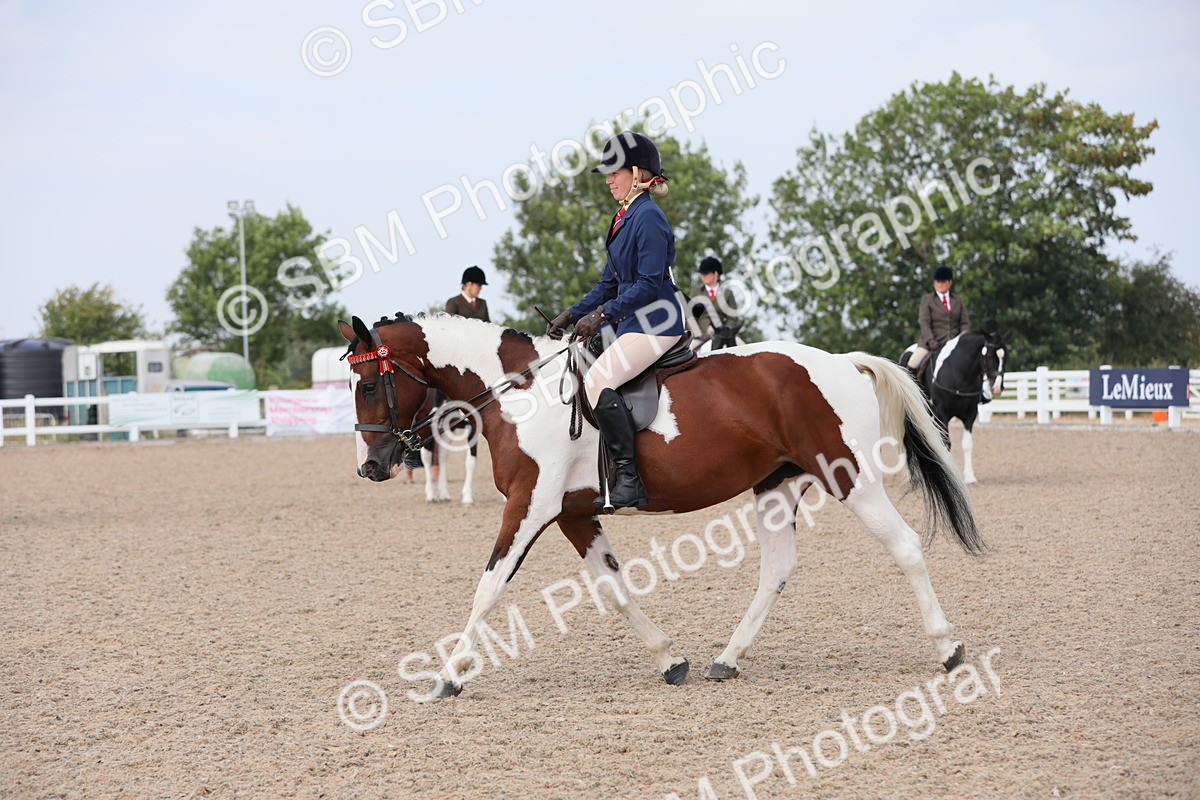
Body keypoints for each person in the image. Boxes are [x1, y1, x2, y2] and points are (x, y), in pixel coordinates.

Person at [545, 131, 685, 510]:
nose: (608, 180)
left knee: (599, 380)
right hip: (632, 321)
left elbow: (648, 283)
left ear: (638, 173)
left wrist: (603, 314)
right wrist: (573, 313)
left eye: (615, 173)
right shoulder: (624, 217)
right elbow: (610, 282)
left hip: (657, 321)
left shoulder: (649, 219)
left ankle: (629, 478)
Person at [909, 264, 971, 374]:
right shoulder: (927, 299)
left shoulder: (957, 300)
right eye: (938, 281)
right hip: (931, 343)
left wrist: (963, 339)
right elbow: (924, 323)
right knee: (913, 362)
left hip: (954, 342)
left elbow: (964, 323)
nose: (940, 284)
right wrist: (931, 341)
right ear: (934, 282)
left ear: (950, 282)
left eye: (943, 281)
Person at [690, 256, 741, 348]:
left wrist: (727, 330)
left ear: (716, 274)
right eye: (701, 274)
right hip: (702, 334)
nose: (703, 276)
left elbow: (732, 317)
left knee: (744, 348)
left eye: (706, 273)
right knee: (686, 353)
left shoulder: (728, 293)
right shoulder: (696, 292)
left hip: (723, 332)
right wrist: (698, 334)